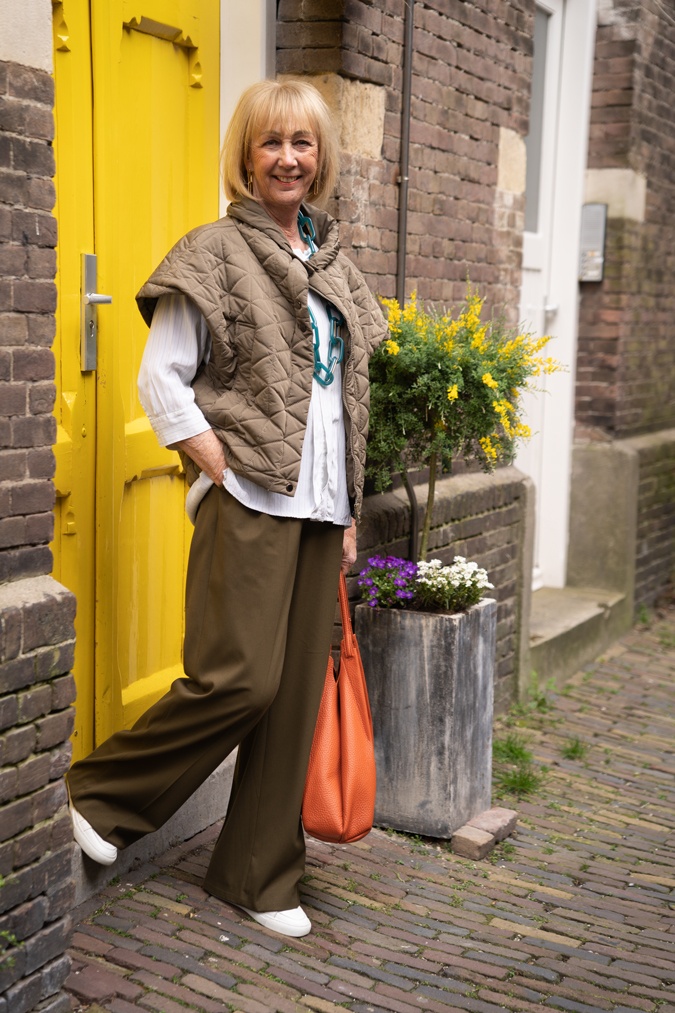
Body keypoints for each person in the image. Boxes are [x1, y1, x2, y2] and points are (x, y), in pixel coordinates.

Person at [65, 79, 388, 939]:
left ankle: (257, 872)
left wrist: (348, 512)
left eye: (302, 143)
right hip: (250, 496)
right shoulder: (211, 251)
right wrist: (218, 462)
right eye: (270, 142)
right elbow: (161, 379)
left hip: (320, 507)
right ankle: (102, 795)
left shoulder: (333, 262)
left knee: (293, 696)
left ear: (320, 158)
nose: (288, 158)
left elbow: (345, 402)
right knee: (238, 677)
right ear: (245, 155)